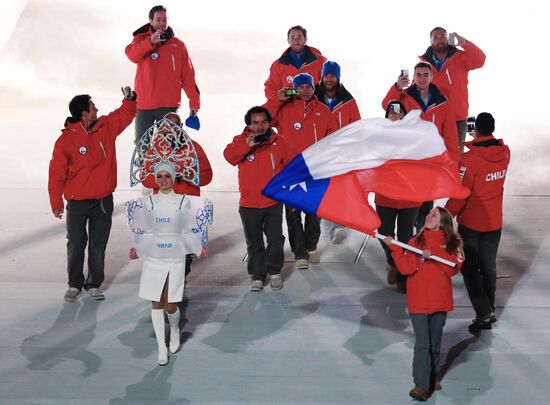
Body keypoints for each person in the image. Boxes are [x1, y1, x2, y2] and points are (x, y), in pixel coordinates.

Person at [48, 87, 137, 302]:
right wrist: (56, 202)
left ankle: (94, 284)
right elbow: (56, 174)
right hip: (77, 204)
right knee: (76, 244)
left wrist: (130, 100)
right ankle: (74, 284)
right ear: (84, 113)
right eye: (92, 106)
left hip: (102, 201)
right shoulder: (65, 141)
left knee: (98, 245)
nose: (96, 108)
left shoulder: (105, 127)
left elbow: (124, 115)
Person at [127, 162, 210, 365]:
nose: (163, 180)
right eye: (160, 177)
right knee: (155, 301)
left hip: (175, 255)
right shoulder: (149, 202)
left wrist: (198, 247)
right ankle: (161, 348)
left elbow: (185, 229)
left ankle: (174, 329)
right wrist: (136, 247)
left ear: (173, 178)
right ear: (155, 179)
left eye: (167, 176)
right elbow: (145, 229)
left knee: (170, 303)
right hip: (154, 256)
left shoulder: (183, 202)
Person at [385, 207, 463, 401]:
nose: (428, 216)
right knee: (422, 343)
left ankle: (432, 376)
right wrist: (394, 248)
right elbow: (406, 268)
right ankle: (420, 385)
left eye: (433, 215)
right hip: (418, 301)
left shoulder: (453, 241)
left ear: (442, 221)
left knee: (434, 342)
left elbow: (454, 268)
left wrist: (434, 253)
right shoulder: (415, 241)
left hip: (440, 301)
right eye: (428, 214)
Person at [264, 73, 338, 269]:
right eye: (301, 87)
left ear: (314, 89)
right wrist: (276, 99)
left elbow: (333, 137)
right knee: (293, 213)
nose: (305, 91)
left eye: (308, 87)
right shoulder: (284, 109)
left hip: (316, 170)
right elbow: (264, 119)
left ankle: (311, 246)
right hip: (292, 170)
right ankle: (300, 253)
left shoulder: (322, 110)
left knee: (314, 211)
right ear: (294, 89)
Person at [446, 113, 510, 331]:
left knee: (469, 268)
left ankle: (483, 312)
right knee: (488, 267)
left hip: (472, 223)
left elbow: (462, 193)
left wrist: (446, 214)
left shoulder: (469, 160)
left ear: (476, 130)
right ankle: (488, 310)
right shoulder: (505, 153)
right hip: (494, 223)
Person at [382, 61, 460, 230]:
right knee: (409, 205)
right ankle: (408, 241)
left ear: (432, 77)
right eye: (418, 75)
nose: (422, 78)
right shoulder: (403, 96)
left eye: (426, 75)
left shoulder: (442, 103)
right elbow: (386, 105)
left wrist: (453, 163)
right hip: (408, 161)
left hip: (430, 162)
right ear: (413, 78)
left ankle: (421, 238)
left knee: (425, 205)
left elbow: (451, 137)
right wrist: (397, 86)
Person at [223, 106, 291, 291]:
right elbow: (229, 156)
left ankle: (275, 272)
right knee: (254, 242)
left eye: (263, 122)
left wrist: (290, 195)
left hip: (273, 202)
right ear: (248, 125)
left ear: (269, 123)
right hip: (249, 203)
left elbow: (289, 169)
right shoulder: (240, 141)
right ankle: (258, 276)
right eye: (255, 123)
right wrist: (247, 145)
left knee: (276, 239)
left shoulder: (279, 142)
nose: (260, 127)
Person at [140, 112, 212, 280]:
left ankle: (178, 283)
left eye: (174, 126)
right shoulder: (154, 150)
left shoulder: (194, 148)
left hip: (188, 209)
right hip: (163, 211)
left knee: (185, 254)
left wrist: (187, 176)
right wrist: (165, 177)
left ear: (181, 127)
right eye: (165, 128)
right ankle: (168, 285)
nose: (169, 131)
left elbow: (207, 176)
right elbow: (146, 180)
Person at [125, 5, 200, 144]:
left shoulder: (179, 45)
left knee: (170, 144)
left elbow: (188, 77)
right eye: (158, 19)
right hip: (143, 104)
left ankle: (170, 167)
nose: (162, 23)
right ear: (151, 21)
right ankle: (144, 167)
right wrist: (150, 42)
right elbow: (131, 55)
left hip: (168, 104)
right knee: (142, 145)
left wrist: (194, 102)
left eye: (164, 19)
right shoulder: (140, 40)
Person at [314, 60, 362, 244]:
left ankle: (338, 227)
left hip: (341, 154)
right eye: (327, 75)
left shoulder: (348, 101)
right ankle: (326, 227)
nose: (329, 79)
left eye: (333, 75)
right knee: (323, 190)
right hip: (319, 152)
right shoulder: (312, 97)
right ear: (322, 76)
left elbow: (357, 126)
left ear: (338, 77)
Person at [376, 102, 421, 293]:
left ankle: (403, 275)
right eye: (392, 112)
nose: (396, 115)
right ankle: (394, 262)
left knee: (405, 238)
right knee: (384, 233)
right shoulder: (379, 135)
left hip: (409, 196)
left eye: (400, 112)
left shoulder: (414, 136)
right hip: (385, 194)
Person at [419, 27, 486, 152]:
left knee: (456, 157)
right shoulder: (425, 64)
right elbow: (416, 90)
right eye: (436, 37)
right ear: (431, 41)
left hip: (458, 119)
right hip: (434, 119)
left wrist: (465, 44)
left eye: (443, 36)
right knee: (434, 157)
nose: (440, 40)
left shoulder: (460, 58)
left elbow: (480, 60)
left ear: (448, 38)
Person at [264, 25, 327, 99]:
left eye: (299, 38)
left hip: (315, 108)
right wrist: (280, 99)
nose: (296, 41)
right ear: (288, 40)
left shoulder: (321, 62)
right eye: (292, 38)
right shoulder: (278, 65)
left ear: (305, 39)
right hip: (288, 108)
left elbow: (330, 86)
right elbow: (270, 88)